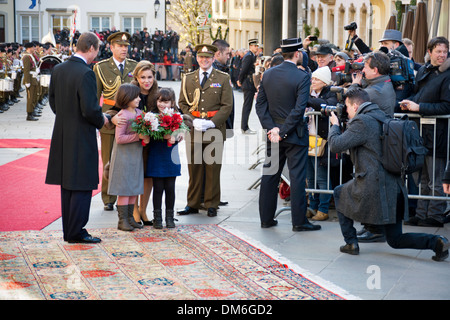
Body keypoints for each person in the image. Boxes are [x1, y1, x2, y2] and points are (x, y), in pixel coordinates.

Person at [328, 87, 449, 261]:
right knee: (395, 239)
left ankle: (351, 243)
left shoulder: (362, 121)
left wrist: (335, 126)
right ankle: (437, 242)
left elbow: (336, 145)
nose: (345, 111)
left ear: (355, 106)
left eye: (346, 107)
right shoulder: (383, 115)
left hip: (373, 186)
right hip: (394, 185)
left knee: (340, 192)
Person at [45, 32, 108, 243]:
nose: (97, 53)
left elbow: (52, 101)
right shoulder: (86, 73)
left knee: (68, 185)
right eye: (97, 49)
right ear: (91, 48)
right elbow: (90, 109)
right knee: (81, 184)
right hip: (81, 135)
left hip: (63, 133)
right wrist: (103, 120)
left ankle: (69, 231)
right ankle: (77, 231)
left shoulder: (59, 69)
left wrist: (67, 117)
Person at [255, 37, 321, 232]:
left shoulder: (268, 74)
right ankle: (299, 221)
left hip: (274, 133)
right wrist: (282, 132)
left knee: (270, 176)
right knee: (298, 178)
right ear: (298, 53)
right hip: (293, 134)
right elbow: (299, 109)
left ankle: (266, 219)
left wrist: (272, 129)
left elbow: (260, 105)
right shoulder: (302, 76)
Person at [177, 44, 233, 217]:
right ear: (197, 59)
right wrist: (192, 121)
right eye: (201, 57)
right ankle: (192, 203)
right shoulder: (188, 78)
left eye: (208, 57)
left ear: (213, 58)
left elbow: (227, 106)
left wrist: (211, 123)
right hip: (194, 129)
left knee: (212, 168)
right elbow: (182, 103)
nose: (204, 60)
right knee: (194, 168)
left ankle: (211, 204)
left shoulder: (223, 78)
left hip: (214, 129)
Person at [399, 36, 450, 228]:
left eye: (444, 51)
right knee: (424, 178)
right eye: (438, 51)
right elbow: (417, 94)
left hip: (439, 134)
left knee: (436, 179)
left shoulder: (447, 74)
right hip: (422, 133)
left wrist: (418, 107)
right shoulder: (425, 70)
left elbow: (447, 107)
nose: (442, 55)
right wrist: (407, 104)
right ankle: (421, 214)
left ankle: (435, 215)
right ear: (429, 52)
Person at [93, 31, 138, 211]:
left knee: (129, 159)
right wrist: (98, 121)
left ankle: (127, 194)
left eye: (126, 46)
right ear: (111, 47)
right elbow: (95, 97)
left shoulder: (135, 66)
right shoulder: (101, 67)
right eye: (120, 46)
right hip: (109, 119)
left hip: (132, 119)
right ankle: (108, 197)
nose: (124, 49)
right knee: (108, 160)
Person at [107, 83, 149, 231]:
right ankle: (122, 220)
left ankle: (130, 217)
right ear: (127, 98)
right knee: (124, 188)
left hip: (135, 156)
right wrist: (138, 136)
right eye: (135, 97)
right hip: (123, 157)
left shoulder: (139, 112)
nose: (138, 99)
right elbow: (120, 139)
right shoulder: (123, 115)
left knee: (133, 187)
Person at [146, 88, 184, 229]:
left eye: (166, 101)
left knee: (170, 187)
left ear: (172, 102)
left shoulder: (177, 115)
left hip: (171, 157)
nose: (162, 105)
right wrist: (166, 136)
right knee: (158, 188)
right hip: (156, 155)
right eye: (160, 101)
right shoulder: (151, 116)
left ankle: (169, 217)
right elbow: (150, 134)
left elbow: (183, 130)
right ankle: (157, 217)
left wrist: (179, 135)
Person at [305, 66, 338, 221]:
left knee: (322, 177)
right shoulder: (309, 92)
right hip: (307, 139)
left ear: (324, 82)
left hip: (322, 141)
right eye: (313, 78)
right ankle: (312, 206)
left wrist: (307, 100)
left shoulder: (331, 93)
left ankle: (323, 209)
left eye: (317, 79)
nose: (313, 81)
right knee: (310, 177)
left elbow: (325, 104)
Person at [350, 51, 396, 116]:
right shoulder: (385, 82)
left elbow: (350, 100)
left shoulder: (375, 91)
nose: (363, 70)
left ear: (375, 70)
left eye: (365, 67)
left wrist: (354, 85)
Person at [238, 39, 259, 134]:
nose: (256, 47)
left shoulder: (252, 56)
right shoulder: (249, 56)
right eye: (255, 46)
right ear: (250, 46)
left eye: (257, 46)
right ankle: (244, 127)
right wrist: (240, 80)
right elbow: (244, 70)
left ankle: (245, 126)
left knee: (248, 105)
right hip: (248, 83)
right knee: (247, 105)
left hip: (250, 83)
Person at [22, 42, 40, 121]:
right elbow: (26, 70)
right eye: (33, 47)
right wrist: (27, 82)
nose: (34, 49)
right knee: (30, 97)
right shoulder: (26, 57)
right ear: (29, 48)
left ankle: (32, 111)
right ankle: (29, 114)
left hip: (33, 78)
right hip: (30, 79)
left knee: (34, 96)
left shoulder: (31, 56)